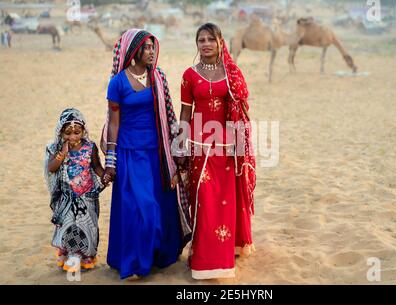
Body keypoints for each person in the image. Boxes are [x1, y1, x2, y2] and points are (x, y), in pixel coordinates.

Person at [102, 29, 191, 280]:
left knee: (159, 207)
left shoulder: (159, 77)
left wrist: (177, 149)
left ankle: (156, 257)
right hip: (130, 153)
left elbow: (169, 114)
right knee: (139, 208)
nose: (151, 52)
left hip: (157, 153)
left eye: (153, 47)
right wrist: (111, 159)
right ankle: (134, 262)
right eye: (146, 47)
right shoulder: (117, 82)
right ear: (134, 51)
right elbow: (114, 122)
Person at [176, 23, 256, 280]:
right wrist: (180, 146)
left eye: (211, 39)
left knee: (225, 205)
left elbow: (241, 113)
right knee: (205, 204)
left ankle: (223, 260)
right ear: (196, 44)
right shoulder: (189, 75)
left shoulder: (232, 74)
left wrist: (240, 148)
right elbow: (186, 114)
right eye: (201, 40)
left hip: (228, 149)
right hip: (200, 149)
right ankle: (202, 260)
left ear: (221, 42)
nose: (206, 44)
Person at [44, 108, 107, 272]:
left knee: (86, 227)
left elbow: (97, 167)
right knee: (69, 226)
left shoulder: (90, 147)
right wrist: (62, 155)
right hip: (66, 199)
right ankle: (70, 257)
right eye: (68, 133)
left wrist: (106, 176)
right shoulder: (56, 148)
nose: (72, 137)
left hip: (86, 198)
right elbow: (51, 168)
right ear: (60, 132)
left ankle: (85, 256)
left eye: (77, 132)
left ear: (83, 131)